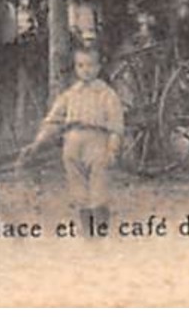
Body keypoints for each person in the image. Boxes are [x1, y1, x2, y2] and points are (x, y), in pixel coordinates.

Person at [21, 47, 124, 238]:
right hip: (72, 146)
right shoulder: (69, 95)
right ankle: (87, 234)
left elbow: (116, 126)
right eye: (81, 65)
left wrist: (112, 149)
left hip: (96, 143)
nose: (86, 70)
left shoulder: (107, 95)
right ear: (76, 67)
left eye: (91, 65)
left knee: (98, 189)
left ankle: (100, 235)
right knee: (78, 191)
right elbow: (52, 121)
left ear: (99, 67)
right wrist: (37, 143)